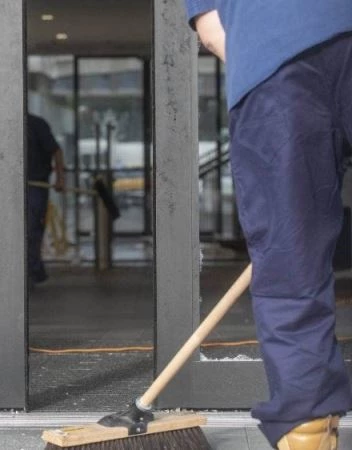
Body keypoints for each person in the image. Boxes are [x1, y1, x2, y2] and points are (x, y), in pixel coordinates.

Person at [186, 2, 352, 448]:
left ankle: (308, 425)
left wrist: (270, 47)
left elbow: (214, 32)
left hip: (277, 64)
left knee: (290, 255)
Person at [27, 113, 65, 285]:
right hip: (17, 186)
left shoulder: (36, 124)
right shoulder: (6, 124)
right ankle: (33, 270)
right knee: (27, 230)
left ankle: (32, 271)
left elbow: (56, 151)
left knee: (32, 229)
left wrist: (60, 178)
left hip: (35, 185)